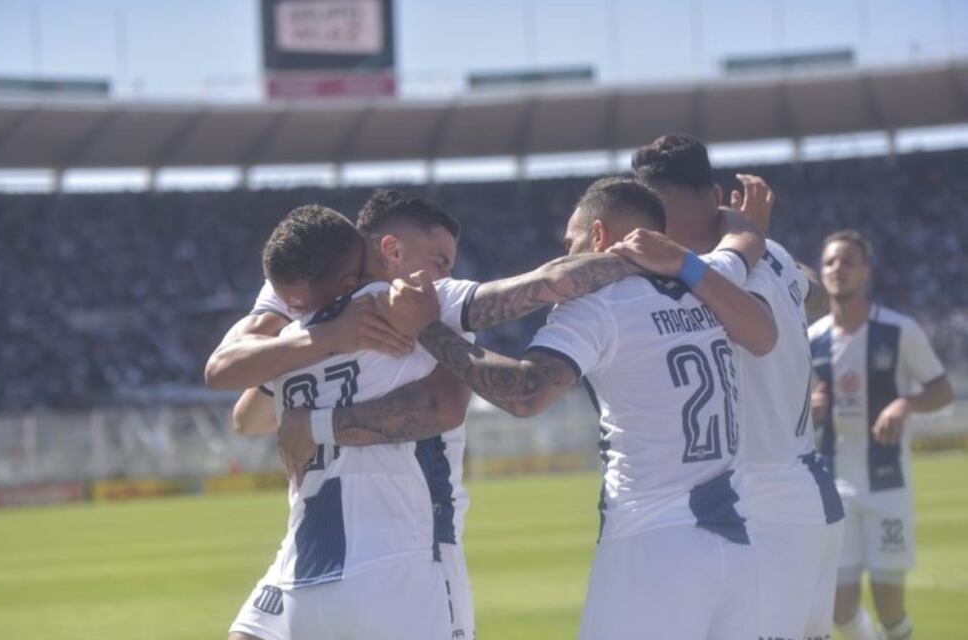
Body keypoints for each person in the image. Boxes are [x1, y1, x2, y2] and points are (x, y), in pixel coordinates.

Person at [222, 193, 662, 640]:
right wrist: (649, 260)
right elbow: (551, 282)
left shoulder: (295, 334)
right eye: (440, 261)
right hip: (406, 566)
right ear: (392, 251)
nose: (445, 274)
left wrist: (307, 420)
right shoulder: (418, 300)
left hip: (303, 572)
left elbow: (245, 416)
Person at [374, 176, 777, 640]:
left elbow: (527, 393)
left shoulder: (599, 305)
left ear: (600, 236)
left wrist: (427, 327)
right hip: (738, 542)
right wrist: (733, 216)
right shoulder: (704, 281)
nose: (566, 253)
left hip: (653, 542)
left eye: (572, 241)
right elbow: (746, 245)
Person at [632, 134, 845, 640]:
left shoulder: (704, 279)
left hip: (769, 505)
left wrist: (739, 242)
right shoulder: (769, 255)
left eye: (661, 213)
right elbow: (813, 291)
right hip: (801, 496)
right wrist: (751, 234)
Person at [809, 229, 954, 640]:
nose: (839, 268)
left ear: (866, 272)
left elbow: (942, 390)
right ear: (822, 272)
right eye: (831, 262)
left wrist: (904, 403)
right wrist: (810, 411)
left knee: (891, 613)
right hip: (834, 486)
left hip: (888, 483)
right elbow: (796, 410)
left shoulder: (899, 330)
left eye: (848, 261)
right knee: (839, 610)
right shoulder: (811, 339)